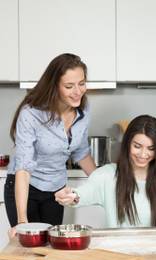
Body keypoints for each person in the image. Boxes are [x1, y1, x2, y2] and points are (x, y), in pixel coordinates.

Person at [4, 53, 96, 235]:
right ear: (54, 86)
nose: (78, 91)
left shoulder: (83, 109)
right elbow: (23, 167)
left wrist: (104, 182)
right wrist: (22, 221)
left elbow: (81, 153)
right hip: (25, 187)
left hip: (56, 190)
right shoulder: (31, 114)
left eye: (82, 83)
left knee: (51, 247)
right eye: (69, 86)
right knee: (28, 247)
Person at [55, 115, 156, 229]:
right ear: (127, 144)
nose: (143, 154)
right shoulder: (107, 175)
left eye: (151, 148)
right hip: (119, 254)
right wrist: (70, 196)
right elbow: (82, 194)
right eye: (137, 146)